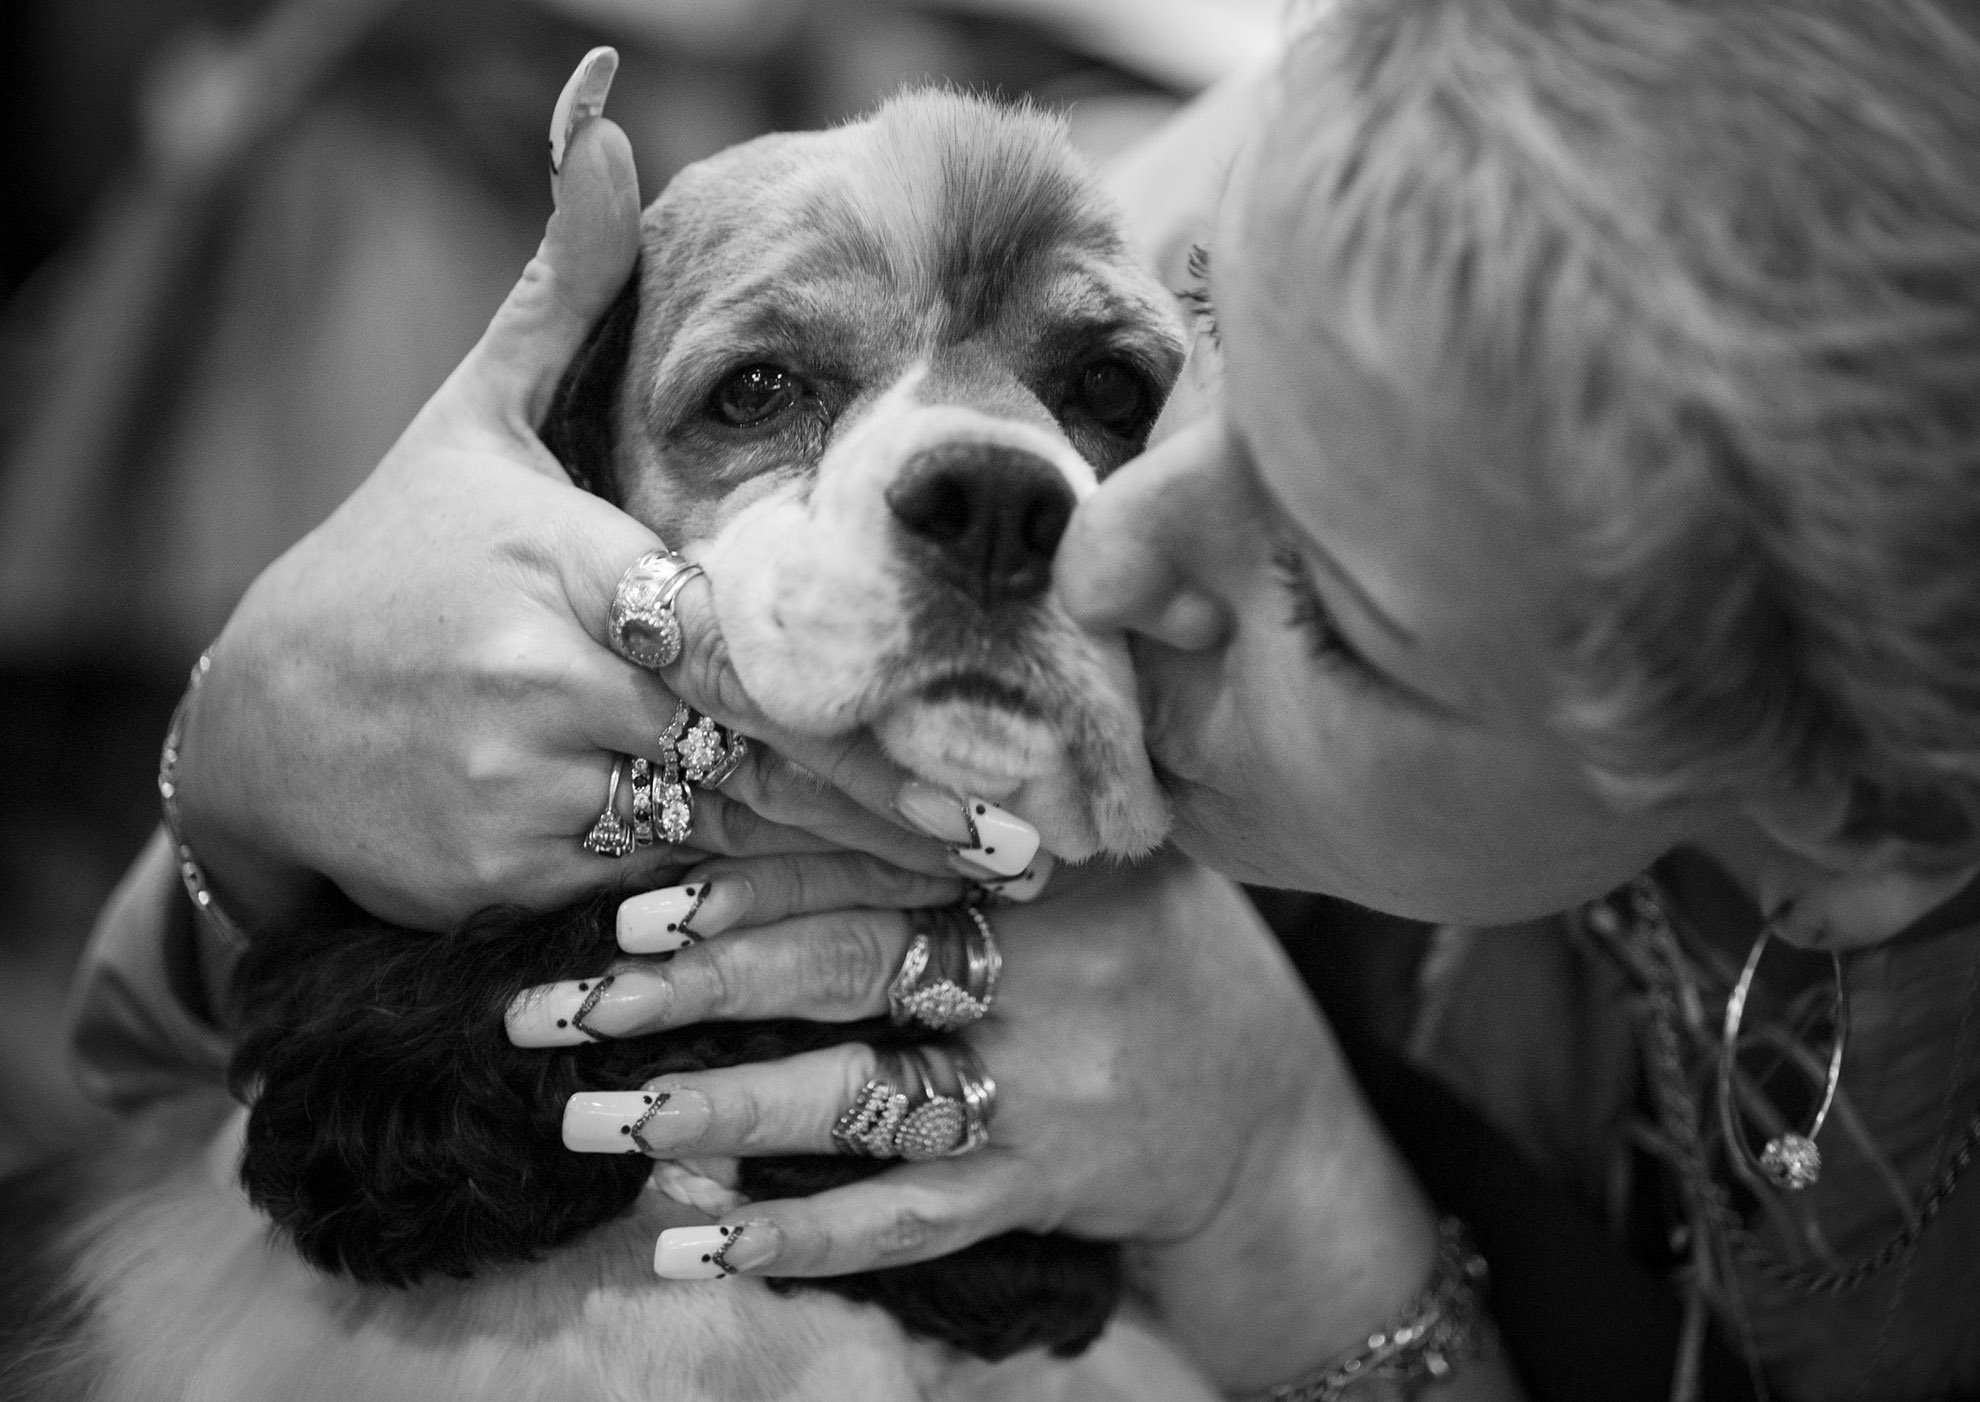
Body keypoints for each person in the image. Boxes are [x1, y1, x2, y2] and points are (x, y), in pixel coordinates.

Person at [65, 2, 1980, 1399]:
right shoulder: (1309, 175)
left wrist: (1276, 1175)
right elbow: (135, 1051)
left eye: (1330, 599)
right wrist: (250, 763)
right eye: (1201, 366)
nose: (1106, 546)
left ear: (1848, 826)